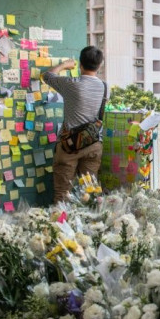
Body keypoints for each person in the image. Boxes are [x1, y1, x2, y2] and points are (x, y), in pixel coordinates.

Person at [42, 46, 107, 203]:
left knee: (63, 193)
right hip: (93, 144)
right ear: (100, 65)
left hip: (69, 146)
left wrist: (64, 65)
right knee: (89, 192)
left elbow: (47, 76)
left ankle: (62, 225)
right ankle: (91, 226)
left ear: (80, 64)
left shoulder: (72, 84)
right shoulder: (105, 87)